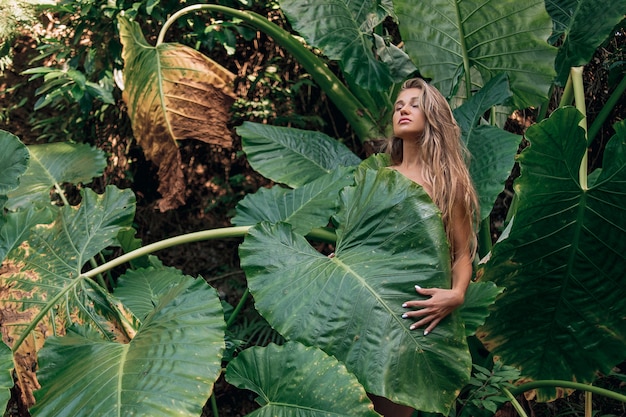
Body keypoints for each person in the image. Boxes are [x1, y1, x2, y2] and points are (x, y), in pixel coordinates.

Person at [371, 78, 480, 417]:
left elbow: (462, 253)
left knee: (394, 407)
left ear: (432, 116)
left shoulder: (445, 182)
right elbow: (364, 240)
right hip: (368, 300)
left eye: (414, 104)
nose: (403, 109)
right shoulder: (378, 177)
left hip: (412, 311)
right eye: (398, 105)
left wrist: (457, 293)